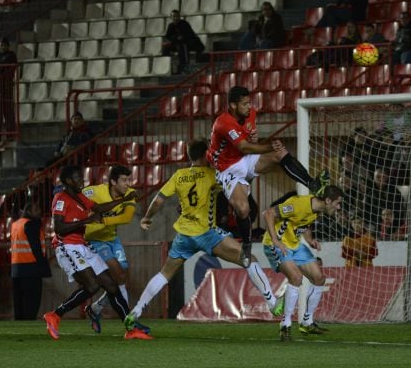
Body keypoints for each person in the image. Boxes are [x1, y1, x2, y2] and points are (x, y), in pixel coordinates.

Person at [123, 140, 284, 328]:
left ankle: (135, 311)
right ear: (203, 156)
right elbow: (236, 182)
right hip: (207, 233)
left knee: (164, 274)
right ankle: (272, 303)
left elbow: (158, 201)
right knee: (250, 259)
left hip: (183, 235)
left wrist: (146, 218)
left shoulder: (179, 175)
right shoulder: (212, 175)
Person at [207, 86, 329, 268]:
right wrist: (268, 146)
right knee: (243, 209)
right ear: (233, 105)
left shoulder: (250, 114)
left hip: (244, 159)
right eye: (245, 103)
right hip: (227, 168)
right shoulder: (223, 122)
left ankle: (313, 184)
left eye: (250, 102)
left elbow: (250, 141)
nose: (249, 107)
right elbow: (244, 146)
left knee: (280, 153)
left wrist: (258, 140)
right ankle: (246, 246)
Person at [42, 165, 148, 340]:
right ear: (68, 181)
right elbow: (59, 228)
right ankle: (55, 315)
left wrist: (124, 199)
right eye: (78, 179)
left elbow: (99, 208)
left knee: (112, 285)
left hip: (83, 245)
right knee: (92, 285)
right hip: (66, 246)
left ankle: (131, 329)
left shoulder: (81, 197)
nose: (82, 181)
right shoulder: (60, 198)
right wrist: (87, 219)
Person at [263, 185, 344, 341]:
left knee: (319, 278)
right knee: (296, 278)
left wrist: (310, 240)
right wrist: (275, 240)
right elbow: (268, 213)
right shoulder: (298, 204)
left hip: (294, 244)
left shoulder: (317, 210)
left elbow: (303, 226)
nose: (338, 207)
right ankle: (285, 325)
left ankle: (307, 322)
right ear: (327, 200)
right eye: (337, 203)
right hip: (277, 244)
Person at [81, 165, 137, 333]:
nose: (128, 184)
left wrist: (103, 221)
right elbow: (77, 196)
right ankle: (129, 321)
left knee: (121, 279)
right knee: (118, 275)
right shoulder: (95, 192)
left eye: (129, 180)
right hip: (94, 239)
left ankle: (96, 308)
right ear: (113, 181)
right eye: (124, 180)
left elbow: (126, 218)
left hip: (112, 239)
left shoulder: (129, 194)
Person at [10, 203, 52, 320]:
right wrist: (43, 266)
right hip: (31, 267)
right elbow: (36, 247)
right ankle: (28, 325)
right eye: (36, 209)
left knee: (18, 303)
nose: (39, 211)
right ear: (28, 211)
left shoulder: (15, 224)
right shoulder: (32, 224)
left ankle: (19, 327)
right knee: (32, 302)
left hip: (16, 268)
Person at [163, 10, 205, 74]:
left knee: (182, 46)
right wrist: (175, 39)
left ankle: (184, 68)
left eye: (177, 16)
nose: (175, 18)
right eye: (174, 16)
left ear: (179, 17)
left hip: (189, 43)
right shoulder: (170, 26)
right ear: (171, 18)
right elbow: (168, 37)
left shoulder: (184, 24)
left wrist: (177, 39)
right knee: (166, 49)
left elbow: (188, 36)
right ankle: (168, 70)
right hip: (177, 44)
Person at [0, 37, 18, 135]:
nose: (3, 47)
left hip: (6, 85)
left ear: (8, 46)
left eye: (4, 45)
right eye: (1, 45)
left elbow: (3, 67)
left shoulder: (11, 55)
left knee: (7, 109)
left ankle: (10, 132)